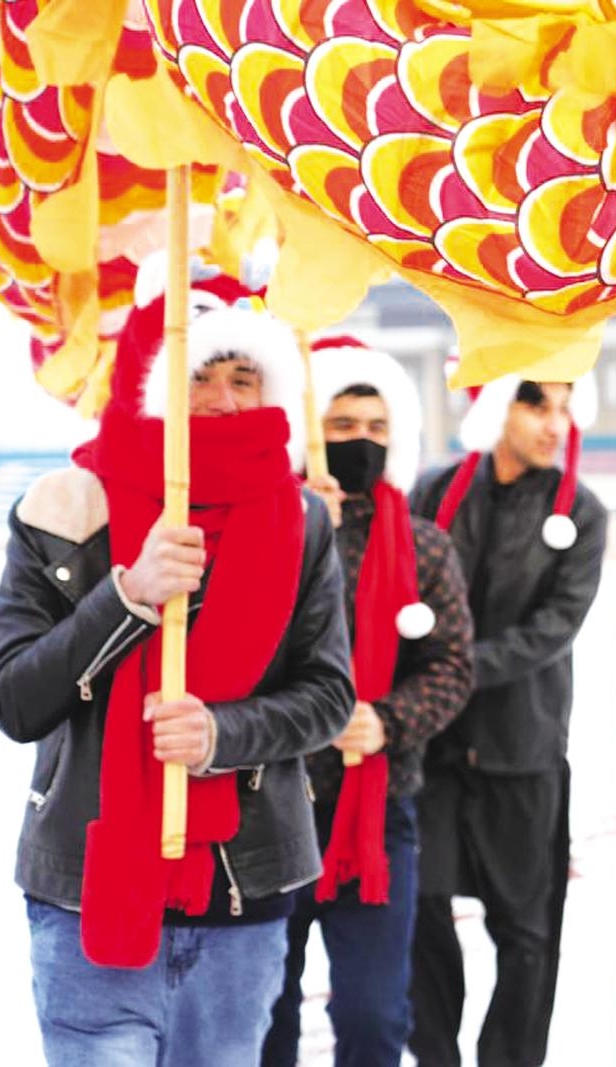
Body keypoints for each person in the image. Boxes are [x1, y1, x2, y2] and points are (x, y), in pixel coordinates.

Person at [0, 261, 355, 1065]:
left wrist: (222, 732)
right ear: (151, 380)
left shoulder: (300, 520)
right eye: (199, 377)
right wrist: (128, 596)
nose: (224, 401)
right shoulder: (66, 509)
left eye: (244, 377)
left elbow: (329, 695)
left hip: (240, 896)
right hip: (85, 896)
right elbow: (14, 701)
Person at [262, 337, 473, 1067]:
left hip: (376, 813)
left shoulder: (423, 545)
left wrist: (385, 720)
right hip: (271, 806)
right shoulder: (265, 530)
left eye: (377, 428)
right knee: (268, 1012)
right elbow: (242, 650)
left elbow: (452, 665)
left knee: (375, 1015)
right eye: (343, 426)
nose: (360, 441)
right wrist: (291, 531)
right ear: (312, 435)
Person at [406, 373, 606, 1067]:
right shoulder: (434, 491)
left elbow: (554, 626)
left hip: (523, 748)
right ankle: (436, 1056)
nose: (555, 422)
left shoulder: (579, 508)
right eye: (536, 402)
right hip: (431, 748)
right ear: (495, 405)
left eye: (564, 405)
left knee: (526, 935)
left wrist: (454, 668)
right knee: (421, 910)